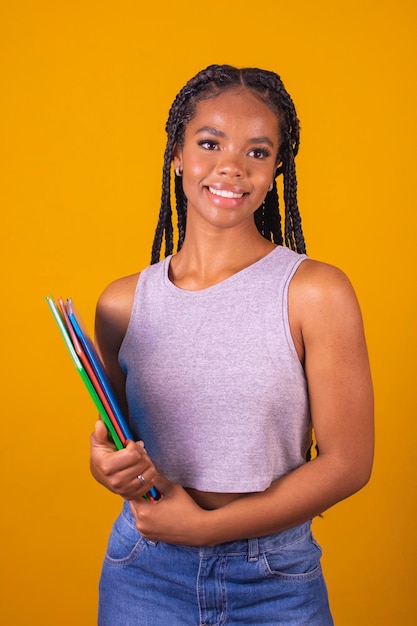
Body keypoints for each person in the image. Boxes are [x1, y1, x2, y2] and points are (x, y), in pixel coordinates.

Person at [90, 64, 374, 625]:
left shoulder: (315, 292)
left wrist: (205, 529)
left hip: (275, 580)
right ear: (176, 155)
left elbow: (347, 464)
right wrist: (106, 467)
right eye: (210, 142)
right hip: (144, 572)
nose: (232, 167)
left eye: (258, 151)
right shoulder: (121, 305)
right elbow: (121, 441)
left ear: (276, 171)